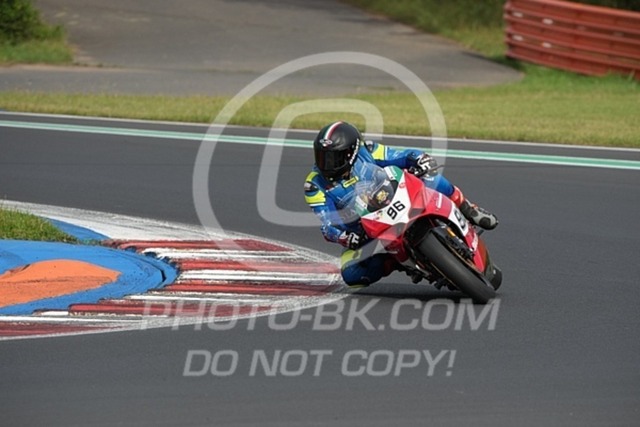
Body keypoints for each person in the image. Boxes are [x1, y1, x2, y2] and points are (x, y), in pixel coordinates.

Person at [304, 121, 498, 288]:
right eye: (321, 156)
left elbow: (403, 155)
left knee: (431, 177)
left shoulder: (367, 150)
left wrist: (420, 159)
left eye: (333, 157)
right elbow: (327, 224)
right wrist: (345, 237)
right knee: (351, 274)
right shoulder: (314, 185)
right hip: (367, 231)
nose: (325, 164)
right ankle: (397, 261)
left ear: (352, 152)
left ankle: (467, 208)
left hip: (395, 197)